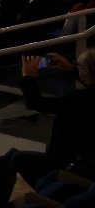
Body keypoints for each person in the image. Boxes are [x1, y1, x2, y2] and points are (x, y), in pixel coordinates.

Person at [13, 50, 95, 185]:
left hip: (67, 162)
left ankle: (43, 193)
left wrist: (28, 77)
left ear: (85, 70)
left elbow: (38, 103)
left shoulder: (77, 98)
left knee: (18, 159)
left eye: (78, 65)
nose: (76, 66)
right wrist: (71, 68)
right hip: (86, 161)